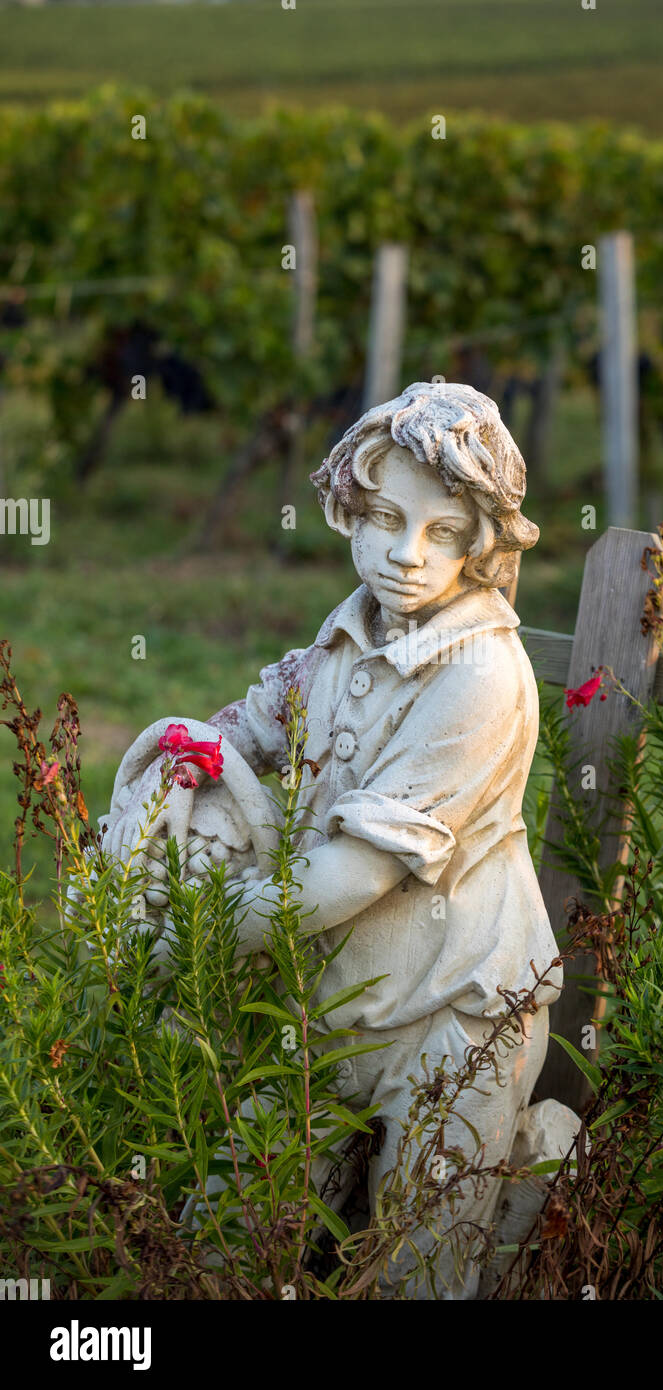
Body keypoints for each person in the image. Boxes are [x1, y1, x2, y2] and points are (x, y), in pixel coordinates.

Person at [105, 380, 563, 1297]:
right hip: (323, 1002)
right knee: (225, 1241)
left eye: (441, 533)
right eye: (385, 517)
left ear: (481, 542)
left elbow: (352, 875)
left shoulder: (482, 677)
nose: (404, 555)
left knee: (418, 1262)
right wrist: (176, 771)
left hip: (455, 1013)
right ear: (347, 504)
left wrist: (183, 930)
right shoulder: (342, 641)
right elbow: (242, 730)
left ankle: (536, 1162)